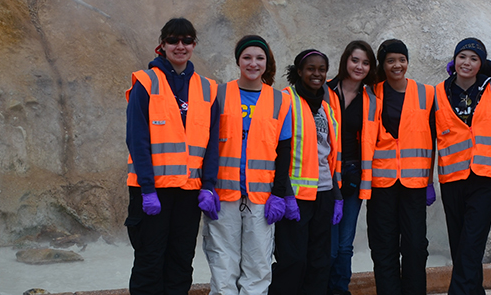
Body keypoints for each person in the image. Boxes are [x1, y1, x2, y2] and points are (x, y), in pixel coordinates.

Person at [123, 17, 220, 295]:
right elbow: (137, 139)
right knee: (149, 261)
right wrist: (148, 189)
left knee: (180, 263)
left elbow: (212, 144)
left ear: (194, 45)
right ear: (161, 45)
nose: (180, 46)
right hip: (152, 192)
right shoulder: (146, 82)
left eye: (187, 40)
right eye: (173, 40)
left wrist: (209, 187)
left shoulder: (207, 88)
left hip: (189, 192)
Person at [202, 35, 293, 295]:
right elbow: (207, 143)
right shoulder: (218, 94)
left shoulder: (279, 100)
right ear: (238, 61)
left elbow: (284, 150)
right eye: (247, 57)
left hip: (261, 198)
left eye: (259, 58)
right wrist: (206, 186)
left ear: (267, 62)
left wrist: (278, 194)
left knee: (259, 265)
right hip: (224, 194)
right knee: (222, 263)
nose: (253, 63)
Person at [359, 39, 436, 295]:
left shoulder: (426, 93)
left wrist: (430, 181)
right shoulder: (370, 93)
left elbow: (434, 138)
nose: (397, 65)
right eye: (391, 60)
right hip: (381, 185)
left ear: (407, 61)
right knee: (384, 246)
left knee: (415, 246)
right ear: (383, 63)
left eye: (401, 59)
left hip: (414, 184)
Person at [269, 49, 343, 295]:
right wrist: (284, 194)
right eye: (311, 68)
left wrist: (337, 195)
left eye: (322, 69)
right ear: (299, 71)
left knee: (319, 261)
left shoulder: (327, 108)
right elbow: (278, 151)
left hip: (324, 194)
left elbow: (329, 154)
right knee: (293, 261)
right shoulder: (285, 100)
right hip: (296, 197)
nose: (317, 74)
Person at [435, 38, 491, 295]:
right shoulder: (437, 93)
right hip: (452, 176)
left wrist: (487, 66)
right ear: (454, 60)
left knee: (472, 241)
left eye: (474, 58)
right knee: (460, 244)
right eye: (462, 56)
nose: (467, 62)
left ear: (482, 63)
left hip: (486, 176)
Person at [326, 40, 377, 295]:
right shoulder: (324, 91)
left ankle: (339, 290)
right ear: (345, 60)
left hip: (354, 175)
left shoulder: (371, 98)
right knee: (329, 244)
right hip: (325, 176)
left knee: (345, 243)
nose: (359, 66)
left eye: (365, 62)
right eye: (355, 60)